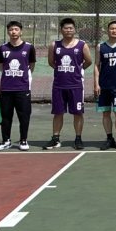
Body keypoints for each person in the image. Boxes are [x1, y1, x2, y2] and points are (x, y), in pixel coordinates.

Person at [45, 17, 92, 150]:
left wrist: (78, 70)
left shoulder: (82, 45)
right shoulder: (54, 45)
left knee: (78, 113)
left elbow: (88, 61)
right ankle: (55, 138)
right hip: (59, 85)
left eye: (71, 28)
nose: (68, 30)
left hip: (76, 85)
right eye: (66, 28)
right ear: (61, 30)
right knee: (58, 112)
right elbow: (51, 62)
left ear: (75, 30)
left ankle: (78, 138)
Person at [0, 21, 35, 151]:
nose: (14, 32)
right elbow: (1, 67)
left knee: (24, 116)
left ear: (21, 31)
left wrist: (22, 77)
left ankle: (23, 140)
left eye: (16, 29)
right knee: (6, 116)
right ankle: (6, 141)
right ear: (8, 32)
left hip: (22, 89)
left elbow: (31, 66)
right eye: (11, 29)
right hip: (6, 89)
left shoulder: (29, 48)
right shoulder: (2, 49)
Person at [94, 20, 116, 150]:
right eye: (111, 28)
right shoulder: (100, 47)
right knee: (106, 113)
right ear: (107, 31)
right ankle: (109, 138)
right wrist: (96, 84)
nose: (114, 31)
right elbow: (97, 65)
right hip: (104, 85)